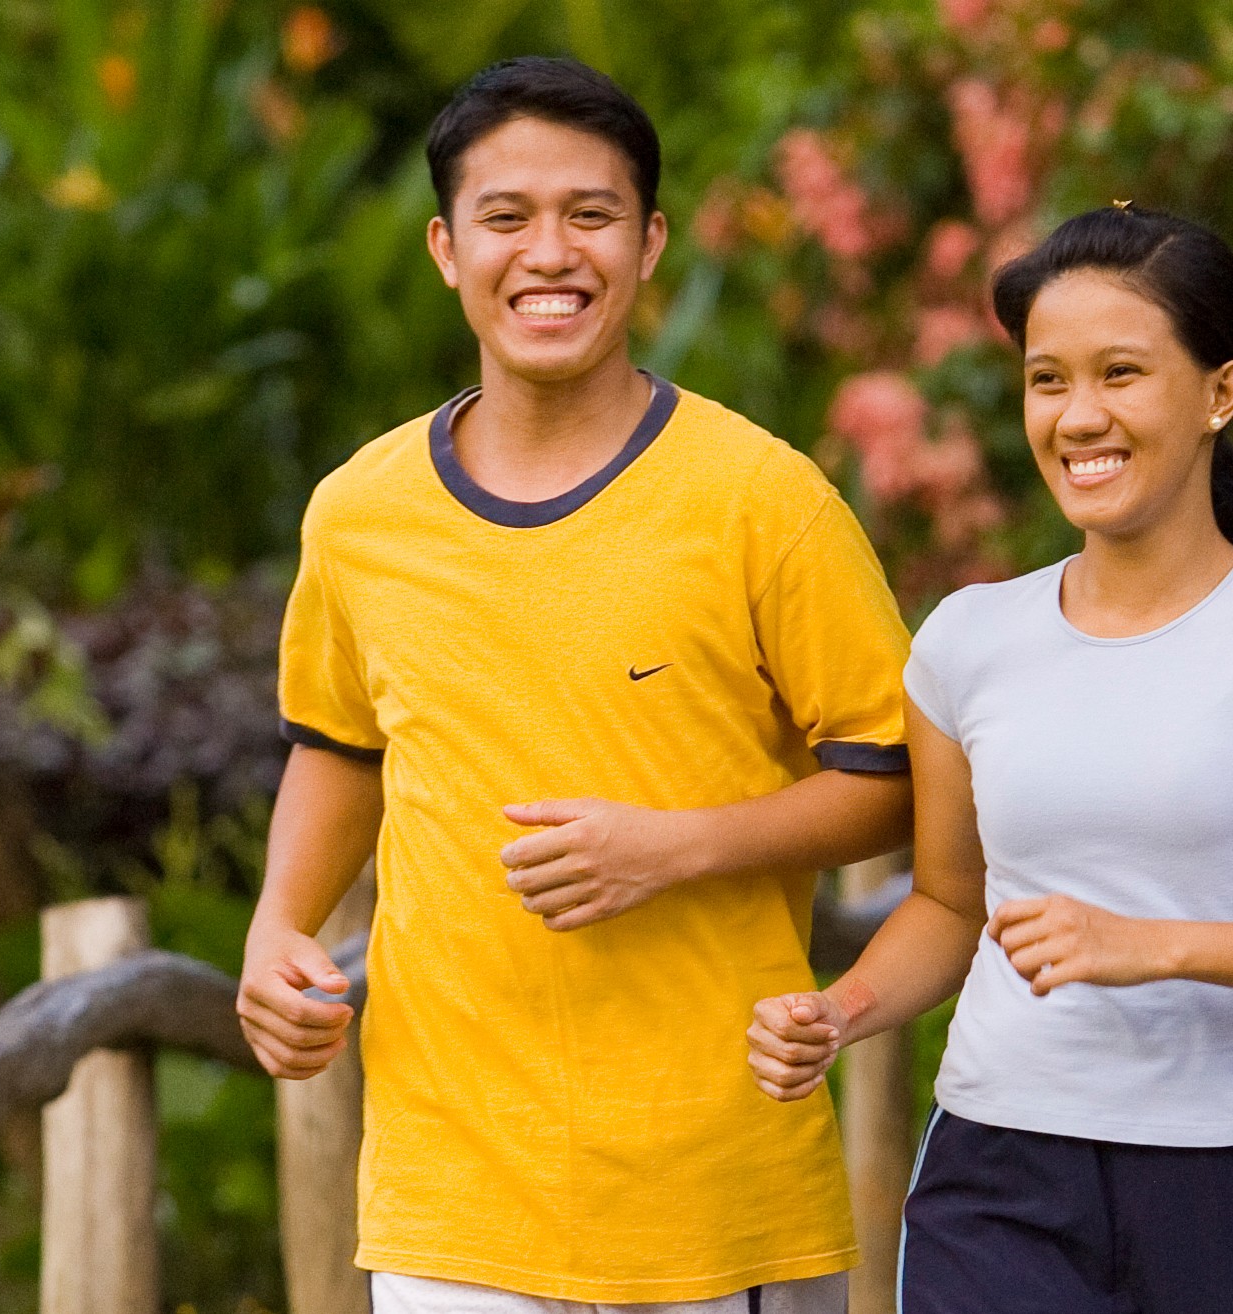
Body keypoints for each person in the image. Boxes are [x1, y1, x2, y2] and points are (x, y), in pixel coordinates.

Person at [237, 56, 914, 1314]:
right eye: (506, 217)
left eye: (589, 215)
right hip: (451, 1198)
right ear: (446, 248)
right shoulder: (357, 514)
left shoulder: (762, 500)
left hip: (712, 1194)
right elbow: (336, 746)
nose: (548, 253)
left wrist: (674, 848)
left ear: (650, 243)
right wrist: (278, 926)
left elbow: (897, 785)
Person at [746, 204, 1233, 1314]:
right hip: (997, 1172)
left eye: (1119, 374)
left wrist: (1151, 944)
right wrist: (839, 1011)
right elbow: (947, 903)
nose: (1077, 417)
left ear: (1219, 393)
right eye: (1046, 381)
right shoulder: (966, 638)